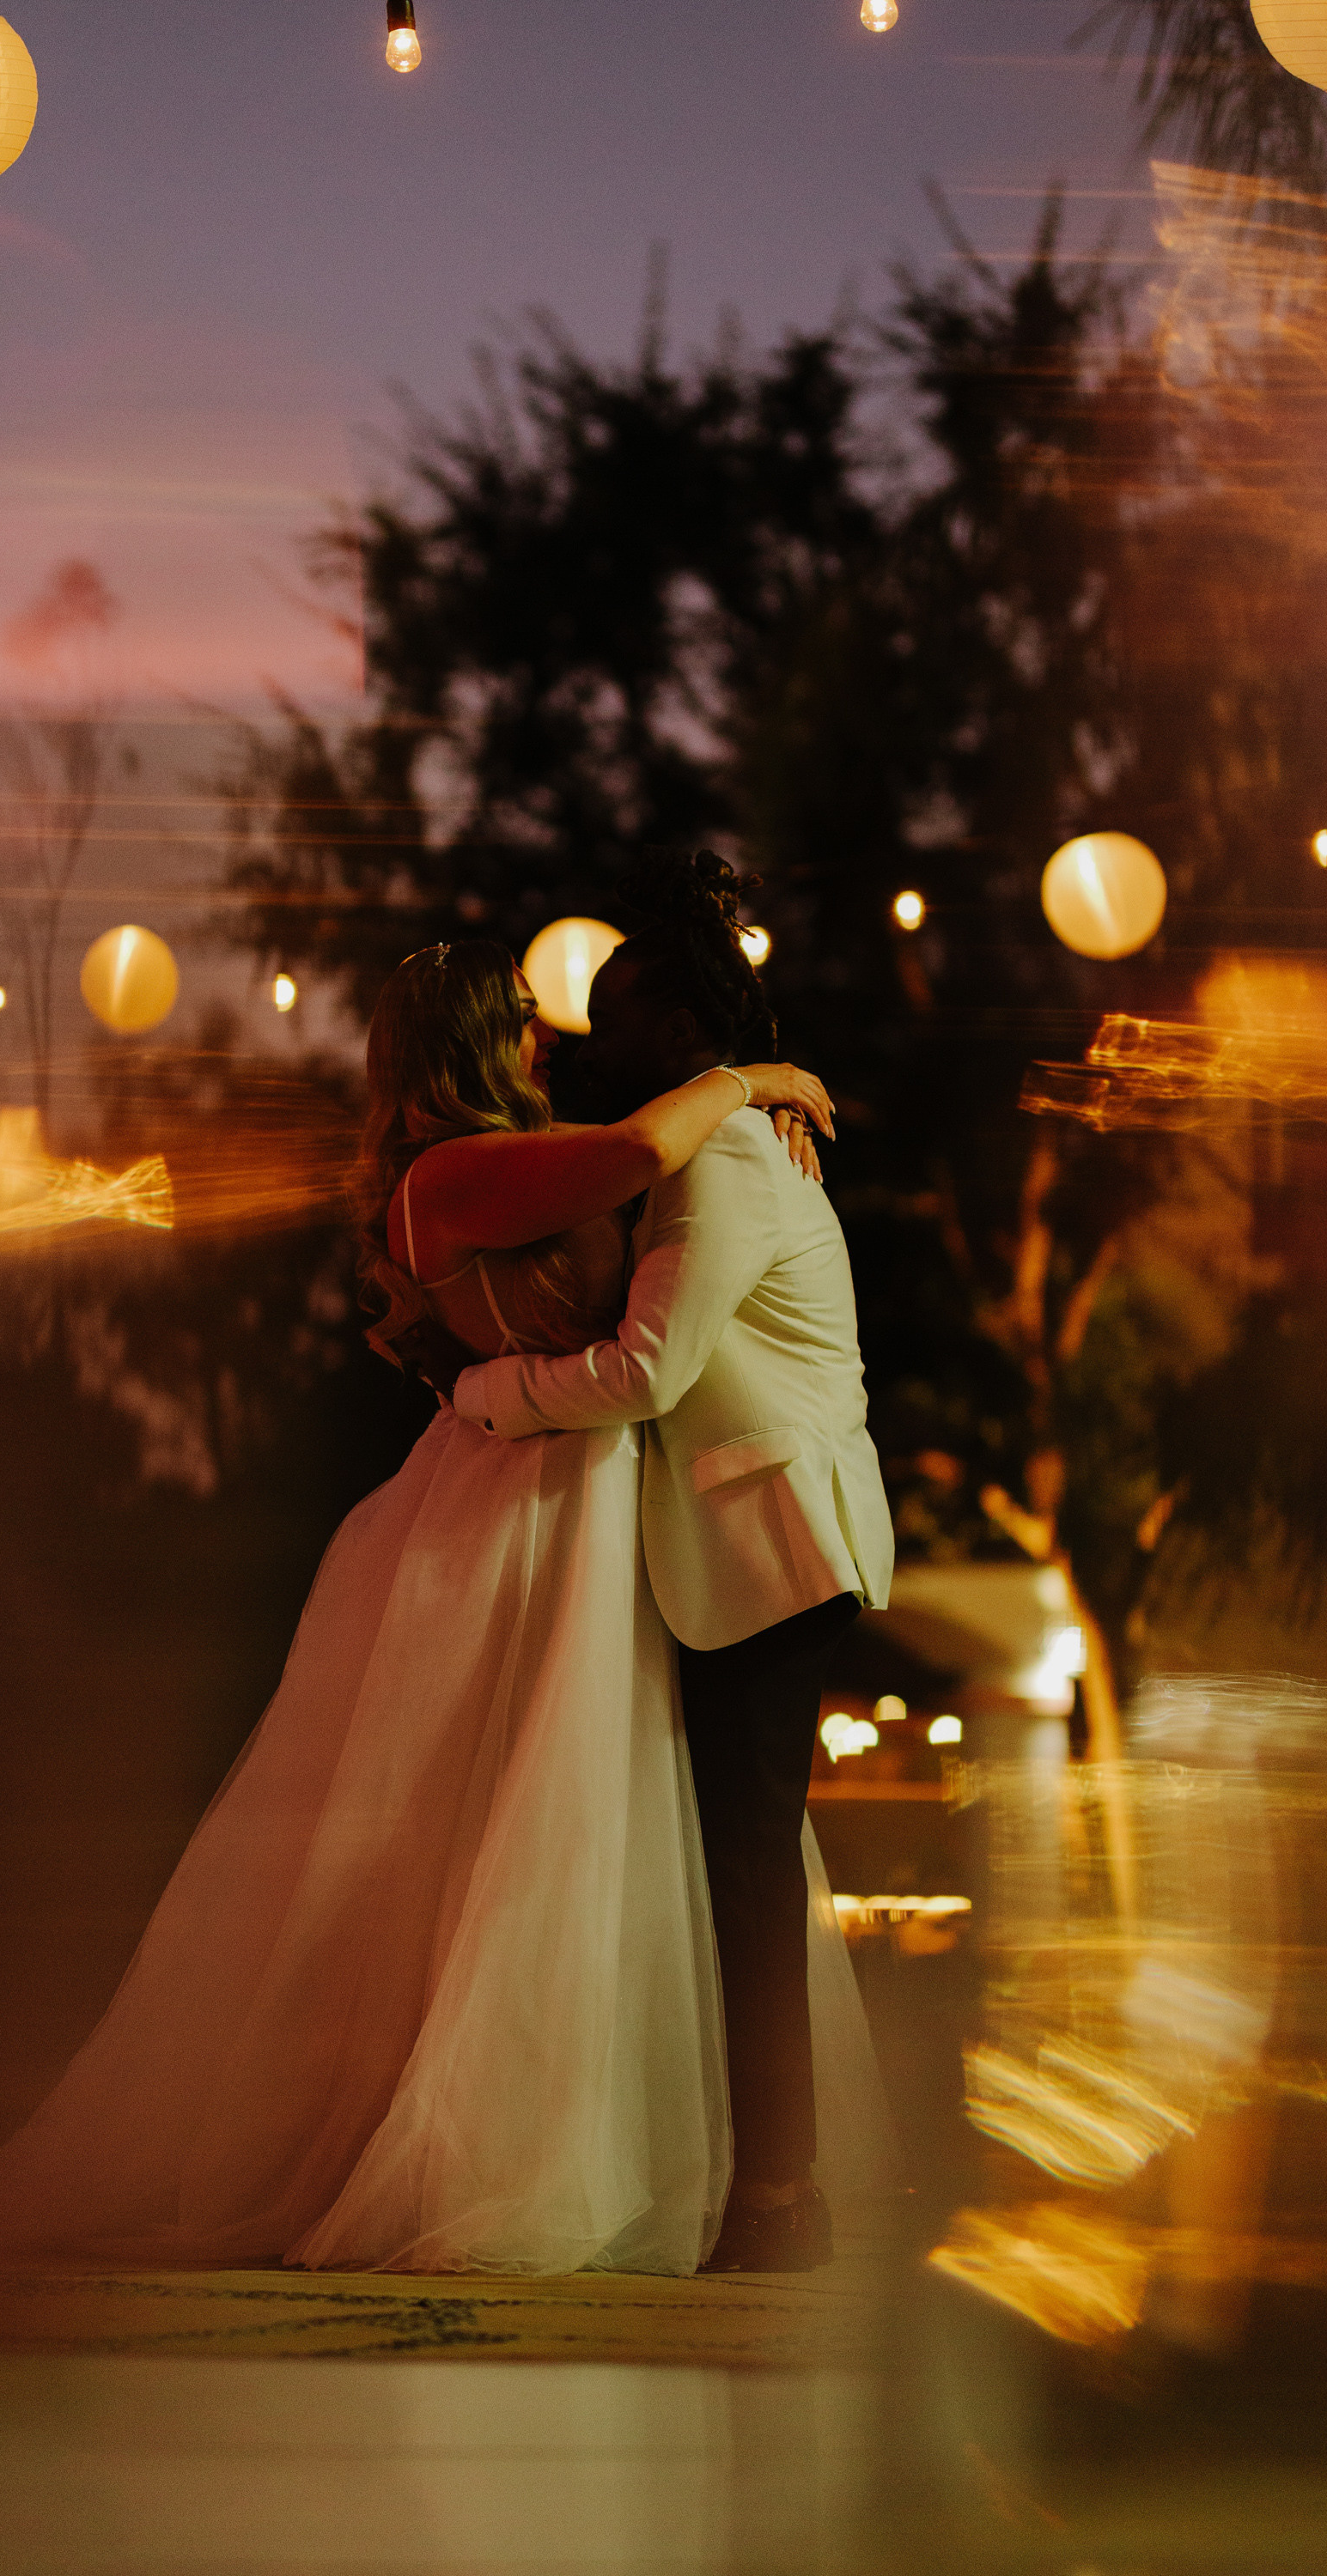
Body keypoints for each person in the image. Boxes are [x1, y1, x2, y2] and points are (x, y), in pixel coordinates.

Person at [0, 938, 849, 2275]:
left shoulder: (513, 1157)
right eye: (522, 1020)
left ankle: (651, 2148)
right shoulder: (450, 1177)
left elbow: (651, 1173)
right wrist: (762, 1077)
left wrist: (745, 1108)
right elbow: (637, 1154)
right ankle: (473, 2147)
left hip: (588, 1495)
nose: (547, 1039)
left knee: (581, 1836)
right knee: (498, 1839)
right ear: (470, 1043)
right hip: (520, 1500)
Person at [450, 854, 895, 2272]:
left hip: (770, 1547)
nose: (594, 1040)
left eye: (622, 1016)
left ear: (685, 1028)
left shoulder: (723, 1161)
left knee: (749, 1880)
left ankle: (780, 2197)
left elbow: (648, 1370)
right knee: (736, 1874)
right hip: (763, 1540)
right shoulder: (731, 1135)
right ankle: (761, 2187)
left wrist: (487, 1396)